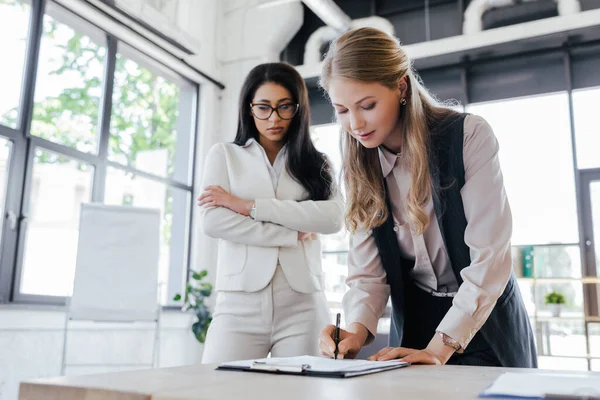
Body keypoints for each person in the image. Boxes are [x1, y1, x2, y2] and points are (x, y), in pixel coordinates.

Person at [317, 27, 537, 367]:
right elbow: (367, 275)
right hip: (417, 325)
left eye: (367, 105)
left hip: (487, 321)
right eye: (342, 110)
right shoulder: (360, 163)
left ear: (401, 87)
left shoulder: (468, 136)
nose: (355, 123)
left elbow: (490, 258)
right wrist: (354, 333)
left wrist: (440, 348)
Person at [198, 62, 343, 363]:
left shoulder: (317, 162)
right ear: (249, 109)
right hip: (239, 304)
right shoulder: (224, 155)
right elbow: (214, 222)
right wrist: (290, 233)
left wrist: (248, 206)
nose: (274, 118)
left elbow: (332, 219)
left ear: (299, 108)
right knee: (215, 389)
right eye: (263, 107)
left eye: (284, 107)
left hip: (303, 304)